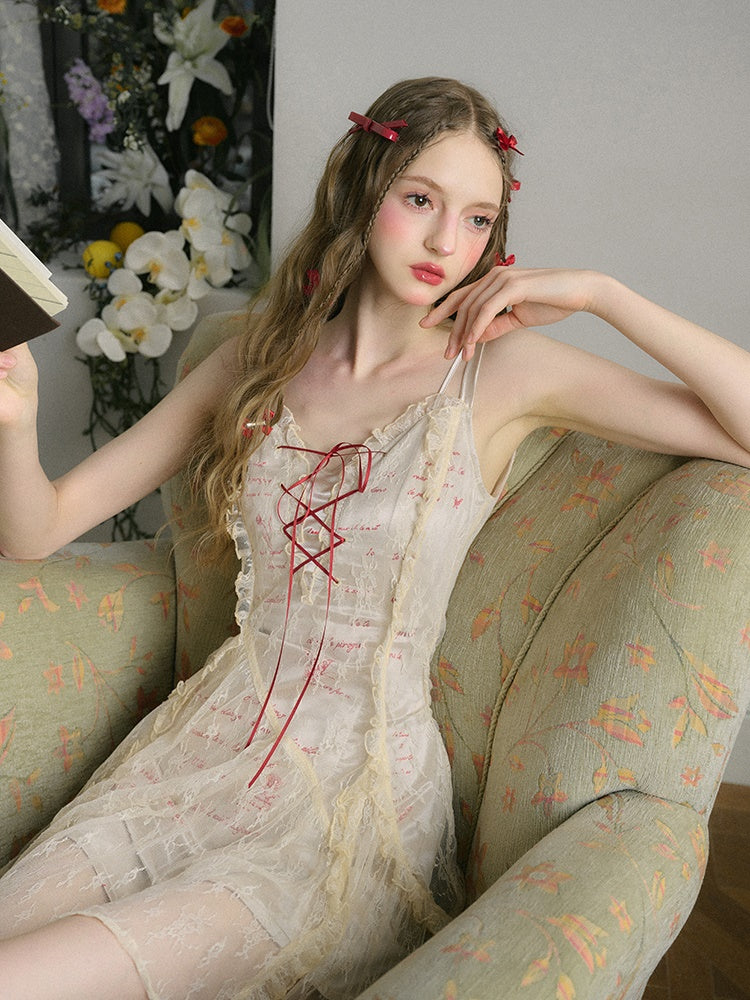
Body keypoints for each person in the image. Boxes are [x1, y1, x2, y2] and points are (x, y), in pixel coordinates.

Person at [0, 75, 749, 1000]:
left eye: (478, 219)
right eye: (420, 200)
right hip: (192, 756)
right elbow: (37, 529)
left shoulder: (504, 374)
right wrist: (15, 416)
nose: (446, 242)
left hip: (342, 811)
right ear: (363, 190)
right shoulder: (254, 361)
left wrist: (603, 294)